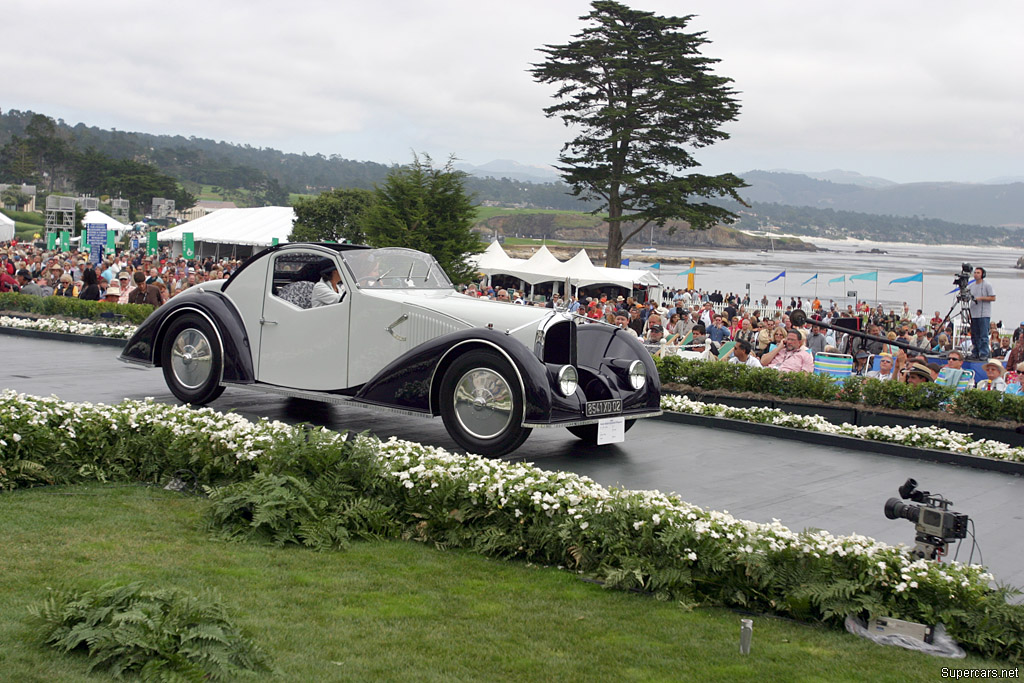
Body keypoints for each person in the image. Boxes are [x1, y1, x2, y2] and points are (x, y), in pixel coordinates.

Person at [967, 266, 996, 360]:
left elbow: (993, 297)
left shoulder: (987, 285)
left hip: (984, 314)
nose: (976, 274)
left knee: (983, 335)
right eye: (975, 272)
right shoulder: (971, 286)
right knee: (974, 335)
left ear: (983, 274)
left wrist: (980, 298)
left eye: (978, 273)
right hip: (974, 314)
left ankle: (984, 353)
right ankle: (975, 352)